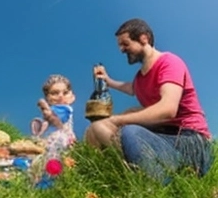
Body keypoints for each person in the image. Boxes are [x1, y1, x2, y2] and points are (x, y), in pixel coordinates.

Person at [85, 18, 213, 181]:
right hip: (165, 138)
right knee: (96, 128)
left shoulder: (169, 62)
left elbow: (168, 109)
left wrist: (117, 120)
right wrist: (108, 81)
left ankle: (163, 182)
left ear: (143, 38)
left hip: (190, 141)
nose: (121, 50)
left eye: (125, 43)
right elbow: (131, 88)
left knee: (130, 131)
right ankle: (134, 172)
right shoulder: (140, 78)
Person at [29, 75, 77, 184]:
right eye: (55, 93)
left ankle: (50, 184)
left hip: (60, 143)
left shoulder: (65, 109)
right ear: (48, 97)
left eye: (65, 93)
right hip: (50, 144)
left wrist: (46, 109)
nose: (61, 96)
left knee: (56, 166)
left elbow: (57, 120)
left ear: (72, 96)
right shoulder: (54, 108)